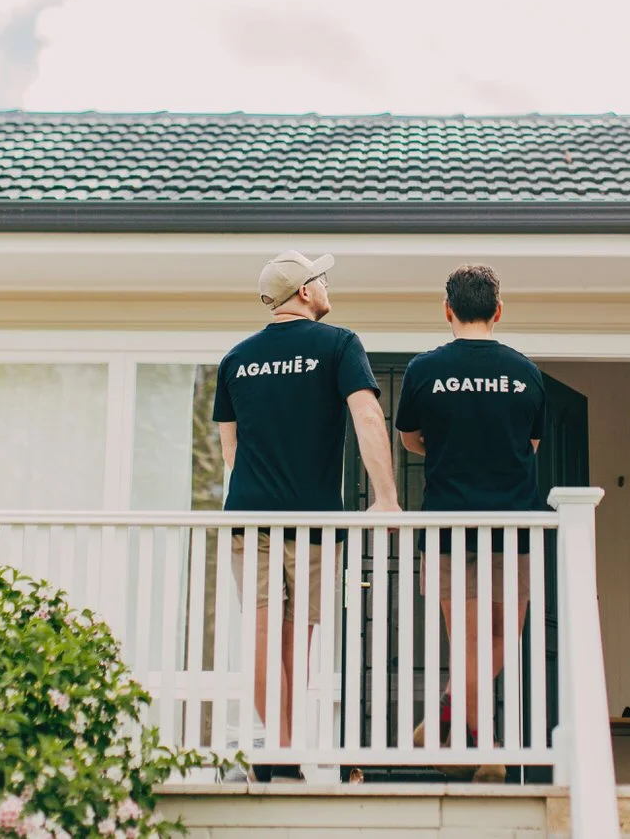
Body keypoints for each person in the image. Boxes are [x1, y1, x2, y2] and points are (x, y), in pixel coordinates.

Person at [214, 250, 400, 781]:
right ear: (303, 291)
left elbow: (231, 451)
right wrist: (385, 497)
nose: (325, 285)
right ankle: (282, 751)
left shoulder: (236, 358)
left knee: (263, 633)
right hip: (314, 523)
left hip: (250, 519)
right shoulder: (339, 343)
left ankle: (281, 751)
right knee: (298, 640)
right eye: (320, 278)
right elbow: (366, 412)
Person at [394, 264, 545, 784]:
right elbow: (532, 445)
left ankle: (452, 716)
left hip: (449, 529)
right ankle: (486, 749)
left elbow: (410, 438)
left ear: (448, 310)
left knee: (470, 640)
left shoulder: (423, 370)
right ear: (498, 311)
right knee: (505, 636)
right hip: (514, 527)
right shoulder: (525, 372)